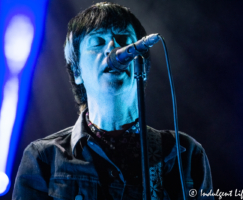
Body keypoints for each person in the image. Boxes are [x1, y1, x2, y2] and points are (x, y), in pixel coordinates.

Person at [12, 2, 214, 200]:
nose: (113, 47)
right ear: (77, 72)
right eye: (97, 42)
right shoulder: (43, 157)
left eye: (123, 38)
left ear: (142, 66)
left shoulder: (186, 154)